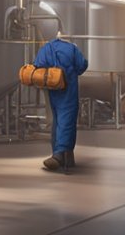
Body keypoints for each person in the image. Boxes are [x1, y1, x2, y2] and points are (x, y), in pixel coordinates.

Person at [33, 30, 88, 173]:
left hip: (53, 90)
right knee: (67, 121)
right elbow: (83, 65)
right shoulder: (72, 49)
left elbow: (38, 65)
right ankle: (59, 156)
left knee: (57, 121)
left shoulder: (47, 47)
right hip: (69, 90)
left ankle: (66, 158)